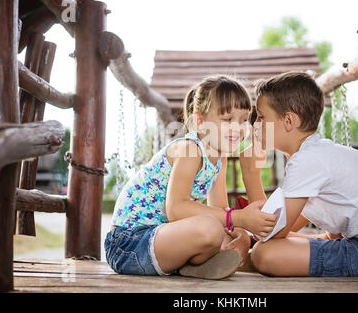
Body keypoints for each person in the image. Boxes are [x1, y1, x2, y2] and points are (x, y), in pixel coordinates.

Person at [239, 71, 358, 277]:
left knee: (265, 254)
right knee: (266, 243)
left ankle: (248, 259)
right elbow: (282, 227)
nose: (254, 125)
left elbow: (269, 231)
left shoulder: (306, 161)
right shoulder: (315, 153)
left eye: (262, 117)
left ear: (289, 121)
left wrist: (250, 174)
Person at [105, 75, 277, 279]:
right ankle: (197, 261)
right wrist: (239, 218)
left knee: (219, 231)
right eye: (228, 119)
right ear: (200, 121)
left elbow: (220, 211)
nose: (238, 128)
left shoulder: (218, 158)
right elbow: (177, 210)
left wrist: (241, 236)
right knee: (209, 228)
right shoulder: (189, 150)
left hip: (162, 238)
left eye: (243, 120)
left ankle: (194, 266)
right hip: (128, 244)